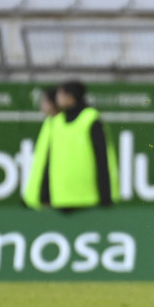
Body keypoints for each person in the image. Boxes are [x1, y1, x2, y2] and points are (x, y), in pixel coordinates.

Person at [31, 80, 118, 213]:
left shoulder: (90, 119)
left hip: (88, 198)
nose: (57, 98)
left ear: (70, 97)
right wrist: (45, 195)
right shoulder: (57, 122)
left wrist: (105, 197)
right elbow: (50, 162)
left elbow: (101, 158)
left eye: (60, 95)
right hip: (60, 198)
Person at [23, 86, 59, 209]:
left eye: (44, 101)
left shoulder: (61, 126)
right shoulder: (49, 123)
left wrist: (46, 194)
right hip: (40, 195)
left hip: (54, 197)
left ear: (53, 103)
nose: (41, 105)